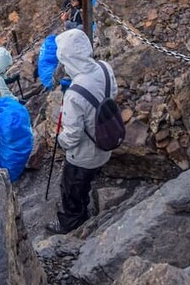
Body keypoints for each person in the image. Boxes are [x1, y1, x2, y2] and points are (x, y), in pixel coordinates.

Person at [47, 28, 117, 234]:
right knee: (85, 180)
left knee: (71, 189)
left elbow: (73, 135)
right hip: (107, 140)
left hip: (83, 156)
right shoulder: (104, 67)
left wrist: (59, 140)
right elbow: (113, 94)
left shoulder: (74, 94)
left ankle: (71, 222)